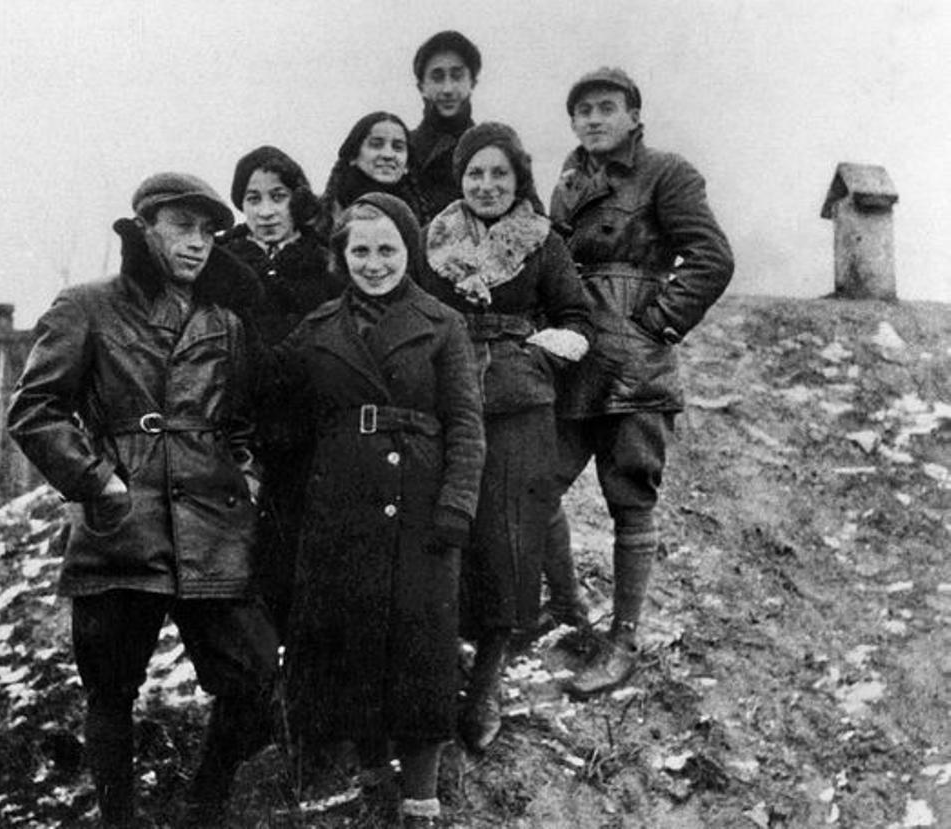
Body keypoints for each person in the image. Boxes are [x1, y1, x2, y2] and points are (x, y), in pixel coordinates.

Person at [6, 173, 278, 826]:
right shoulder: (87, 304)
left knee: (254, 675)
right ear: (144, 226)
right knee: (111, 692)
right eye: (183, 226)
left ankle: (202, 806)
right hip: (124, 523)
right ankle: (119, 817)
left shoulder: (225, 320)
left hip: (211, 522)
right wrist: (98, 482)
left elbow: (240, 423)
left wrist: (248, 477)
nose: (199, 242)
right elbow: (35, 409)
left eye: (210, 230)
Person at [276, 192, 485, 827]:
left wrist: (456, 504)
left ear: (409, 250)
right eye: (360, 250)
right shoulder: (314, 332)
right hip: (339, 507)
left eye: (387, 249)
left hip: (419, 505)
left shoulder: (442, 323)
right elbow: (281, 416)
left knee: (422, 644)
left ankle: (421, 791)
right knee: (354, 640)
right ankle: (369, 770)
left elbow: (467, 425)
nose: (374, 263)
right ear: (341, 256)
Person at [545, 67, 734, 698]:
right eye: (583, 111)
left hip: (634, 366)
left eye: (607, 108)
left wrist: (656, 321)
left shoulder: (666, 173)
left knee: (630, 496)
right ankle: (568, 608)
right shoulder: (568, 183)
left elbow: (711, 257)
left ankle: (622, 640)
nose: (594, 119)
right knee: (536, 484)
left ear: (633, 115)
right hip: (573, 360)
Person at [417, 122, 593, 752]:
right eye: (474, 174)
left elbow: (575, 317)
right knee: (444, 529)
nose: (486, 185)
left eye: (499, 174)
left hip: (520, 406)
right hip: (445, 399)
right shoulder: (431, 239)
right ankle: (441, 669)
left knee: (509, 538)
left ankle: (487, 679)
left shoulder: (542, 243)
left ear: (519, 179)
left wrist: (536, 356)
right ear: (459, 179)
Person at [220, 145, 344, 631]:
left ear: (297, 199)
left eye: (277, 196)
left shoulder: (325, 265)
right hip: (239, 431)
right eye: (253, 198)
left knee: (298, 550)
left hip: (306, 431)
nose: (265, 210)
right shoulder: (222, 265)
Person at [317, 112, 428, 238]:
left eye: (398, 147)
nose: (388, 155)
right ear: (353, 155)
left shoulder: (420, 220)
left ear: (407, 165)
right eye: (376, 145)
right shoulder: (323, 216)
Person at [409, 30, 482, 216]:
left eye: (457, 76)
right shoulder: (402, 150)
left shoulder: (494, 148)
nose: (447, 89)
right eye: (437, 77)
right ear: (421, 87)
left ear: (472, 82)